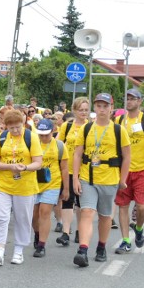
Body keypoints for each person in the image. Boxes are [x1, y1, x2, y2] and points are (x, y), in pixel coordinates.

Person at [71, 93, 131, 267]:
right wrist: (75, 178)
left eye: (105, 106)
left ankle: (101, 247)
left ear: (111, 108)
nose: (102, 109)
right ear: (94, 108)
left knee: (105, 216)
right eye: (99, 106)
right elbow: (77, 154)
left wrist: (123, 179)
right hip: (87, 177)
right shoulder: (87, 129)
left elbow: (127, 157)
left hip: (110, 178)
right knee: (87, 212)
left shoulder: (119, 131)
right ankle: (82, 250)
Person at [0, 109, 43, 267]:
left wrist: (25, 167)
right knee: (1, 216)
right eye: (12, 128)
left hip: (25, 186)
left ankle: (18, 251)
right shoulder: (2, 137)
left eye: (18, 127)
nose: (15, 130)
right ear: (6, 126)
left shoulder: (31, 137)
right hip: (3, 184)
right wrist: (9, 167)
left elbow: (38, 162)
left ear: (23, 123)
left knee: (22, 219)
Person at [114, 89, 144, 254]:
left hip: (142, 170)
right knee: (123, 206)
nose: (129, 101)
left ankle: (139, 228)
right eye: (127, 98)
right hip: (124, 171)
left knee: (142, 208)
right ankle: (125, 241)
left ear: (140, 101)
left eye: (133, 99)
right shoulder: (119, 120)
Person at [31, 119, 69, 258]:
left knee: (44, 212)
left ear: (53, 131)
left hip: (52, 183)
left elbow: (64, 168)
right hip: (34, 184)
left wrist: (66, 188)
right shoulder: (32, 144)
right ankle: (37, 234)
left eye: (46, 134)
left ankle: (41, 245)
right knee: (34, 216)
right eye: (40, 134)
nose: (43, 137)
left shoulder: (59, 146)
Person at [56, 97, 89, 247]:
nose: (83, 113)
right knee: (67, 199)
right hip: (67, 169)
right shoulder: (67, 126)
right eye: (80, 110)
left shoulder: (91, 127)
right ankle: (65, 232)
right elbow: (58, 144)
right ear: (74, 110)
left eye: (86, 110)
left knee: (81, 203)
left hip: (84, 171)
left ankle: (79, 231)